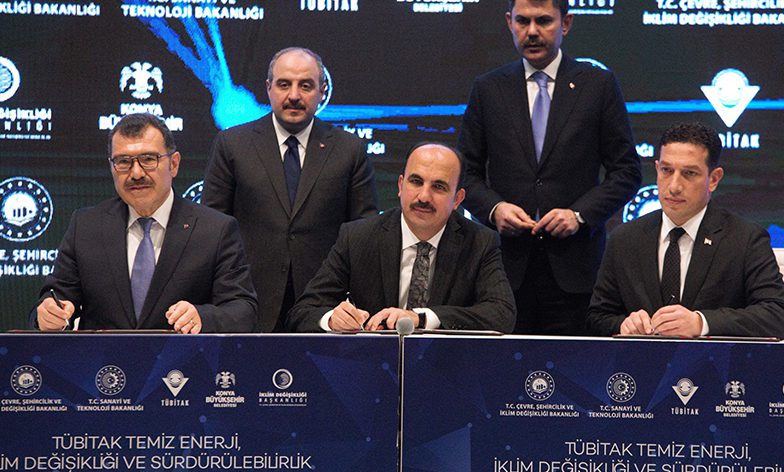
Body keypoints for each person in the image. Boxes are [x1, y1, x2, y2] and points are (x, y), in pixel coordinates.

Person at [457, 0, 641, 335]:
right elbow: (465, 173)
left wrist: (579, 215)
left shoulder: (597, 85)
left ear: (566, 23)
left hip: (577, 271)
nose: (532, 32)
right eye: (522, 21)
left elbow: (627, 172)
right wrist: (495, 209)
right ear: (509, 22)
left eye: (543, 21)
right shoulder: (488, 88)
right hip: (503, 272)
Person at [203, 47, 378, 332]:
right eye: (284, 84)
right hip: (247, 305)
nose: (294, 95)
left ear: (322, 91)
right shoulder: (232, 145)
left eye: (305, 86)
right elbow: (213, 230)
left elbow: (364, 234)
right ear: (268, 88)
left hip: (325, 310)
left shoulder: (349, 150)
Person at [32, 113, 257, 332]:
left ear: (174, 164)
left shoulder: (215, 230)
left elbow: (243, 310)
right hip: (104, 358)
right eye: (123, 162)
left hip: (183, 357)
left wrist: (202, 317)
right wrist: (49, 315)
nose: (136, 173)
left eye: (149, 159)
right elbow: (55, 299)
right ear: (111, 167)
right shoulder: (86, 227)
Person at [586, 122, 784, 338]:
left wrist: (701, 323)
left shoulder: (745, 239)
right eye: (666, 170)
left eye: (689, 173)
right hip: (641, 359)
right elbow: (597, 318)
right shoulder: (624, 239)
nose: (674, 186)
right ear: (657, 169)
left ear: (714, 179)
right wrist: (624, 325)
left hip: (714, 359)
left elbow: (780, 314)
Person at [286, 143, 516, 333]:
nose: (423, 196)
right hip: (370, 365)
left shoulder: (480, 242)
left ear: (457, 199)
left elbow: (501, 314)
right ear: (400, 185)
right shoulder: (357, 237)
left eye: (438, 187)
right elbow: (303, 312)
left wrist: (422, 318)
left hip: (446, 366)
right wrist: (331, 319)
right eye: (416, 182)